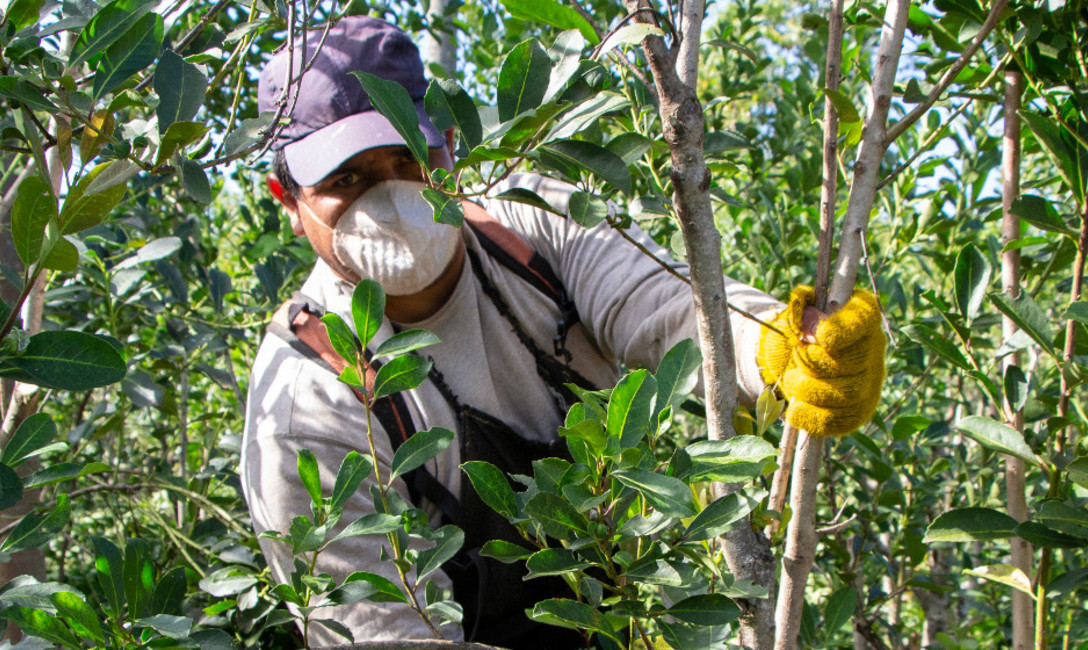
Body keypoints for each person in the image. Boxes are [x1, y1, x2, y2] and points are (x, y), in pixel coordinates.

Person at [241, 15, 885, 649]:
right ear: (289, 201)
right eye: (347, 179)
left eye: (412, 157)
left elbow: (671, 313)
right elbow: (382, 636)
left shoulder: (530, 222)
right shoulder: (303, 406)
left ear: (451, 149)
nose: (392, 196)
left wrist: (779, 346)